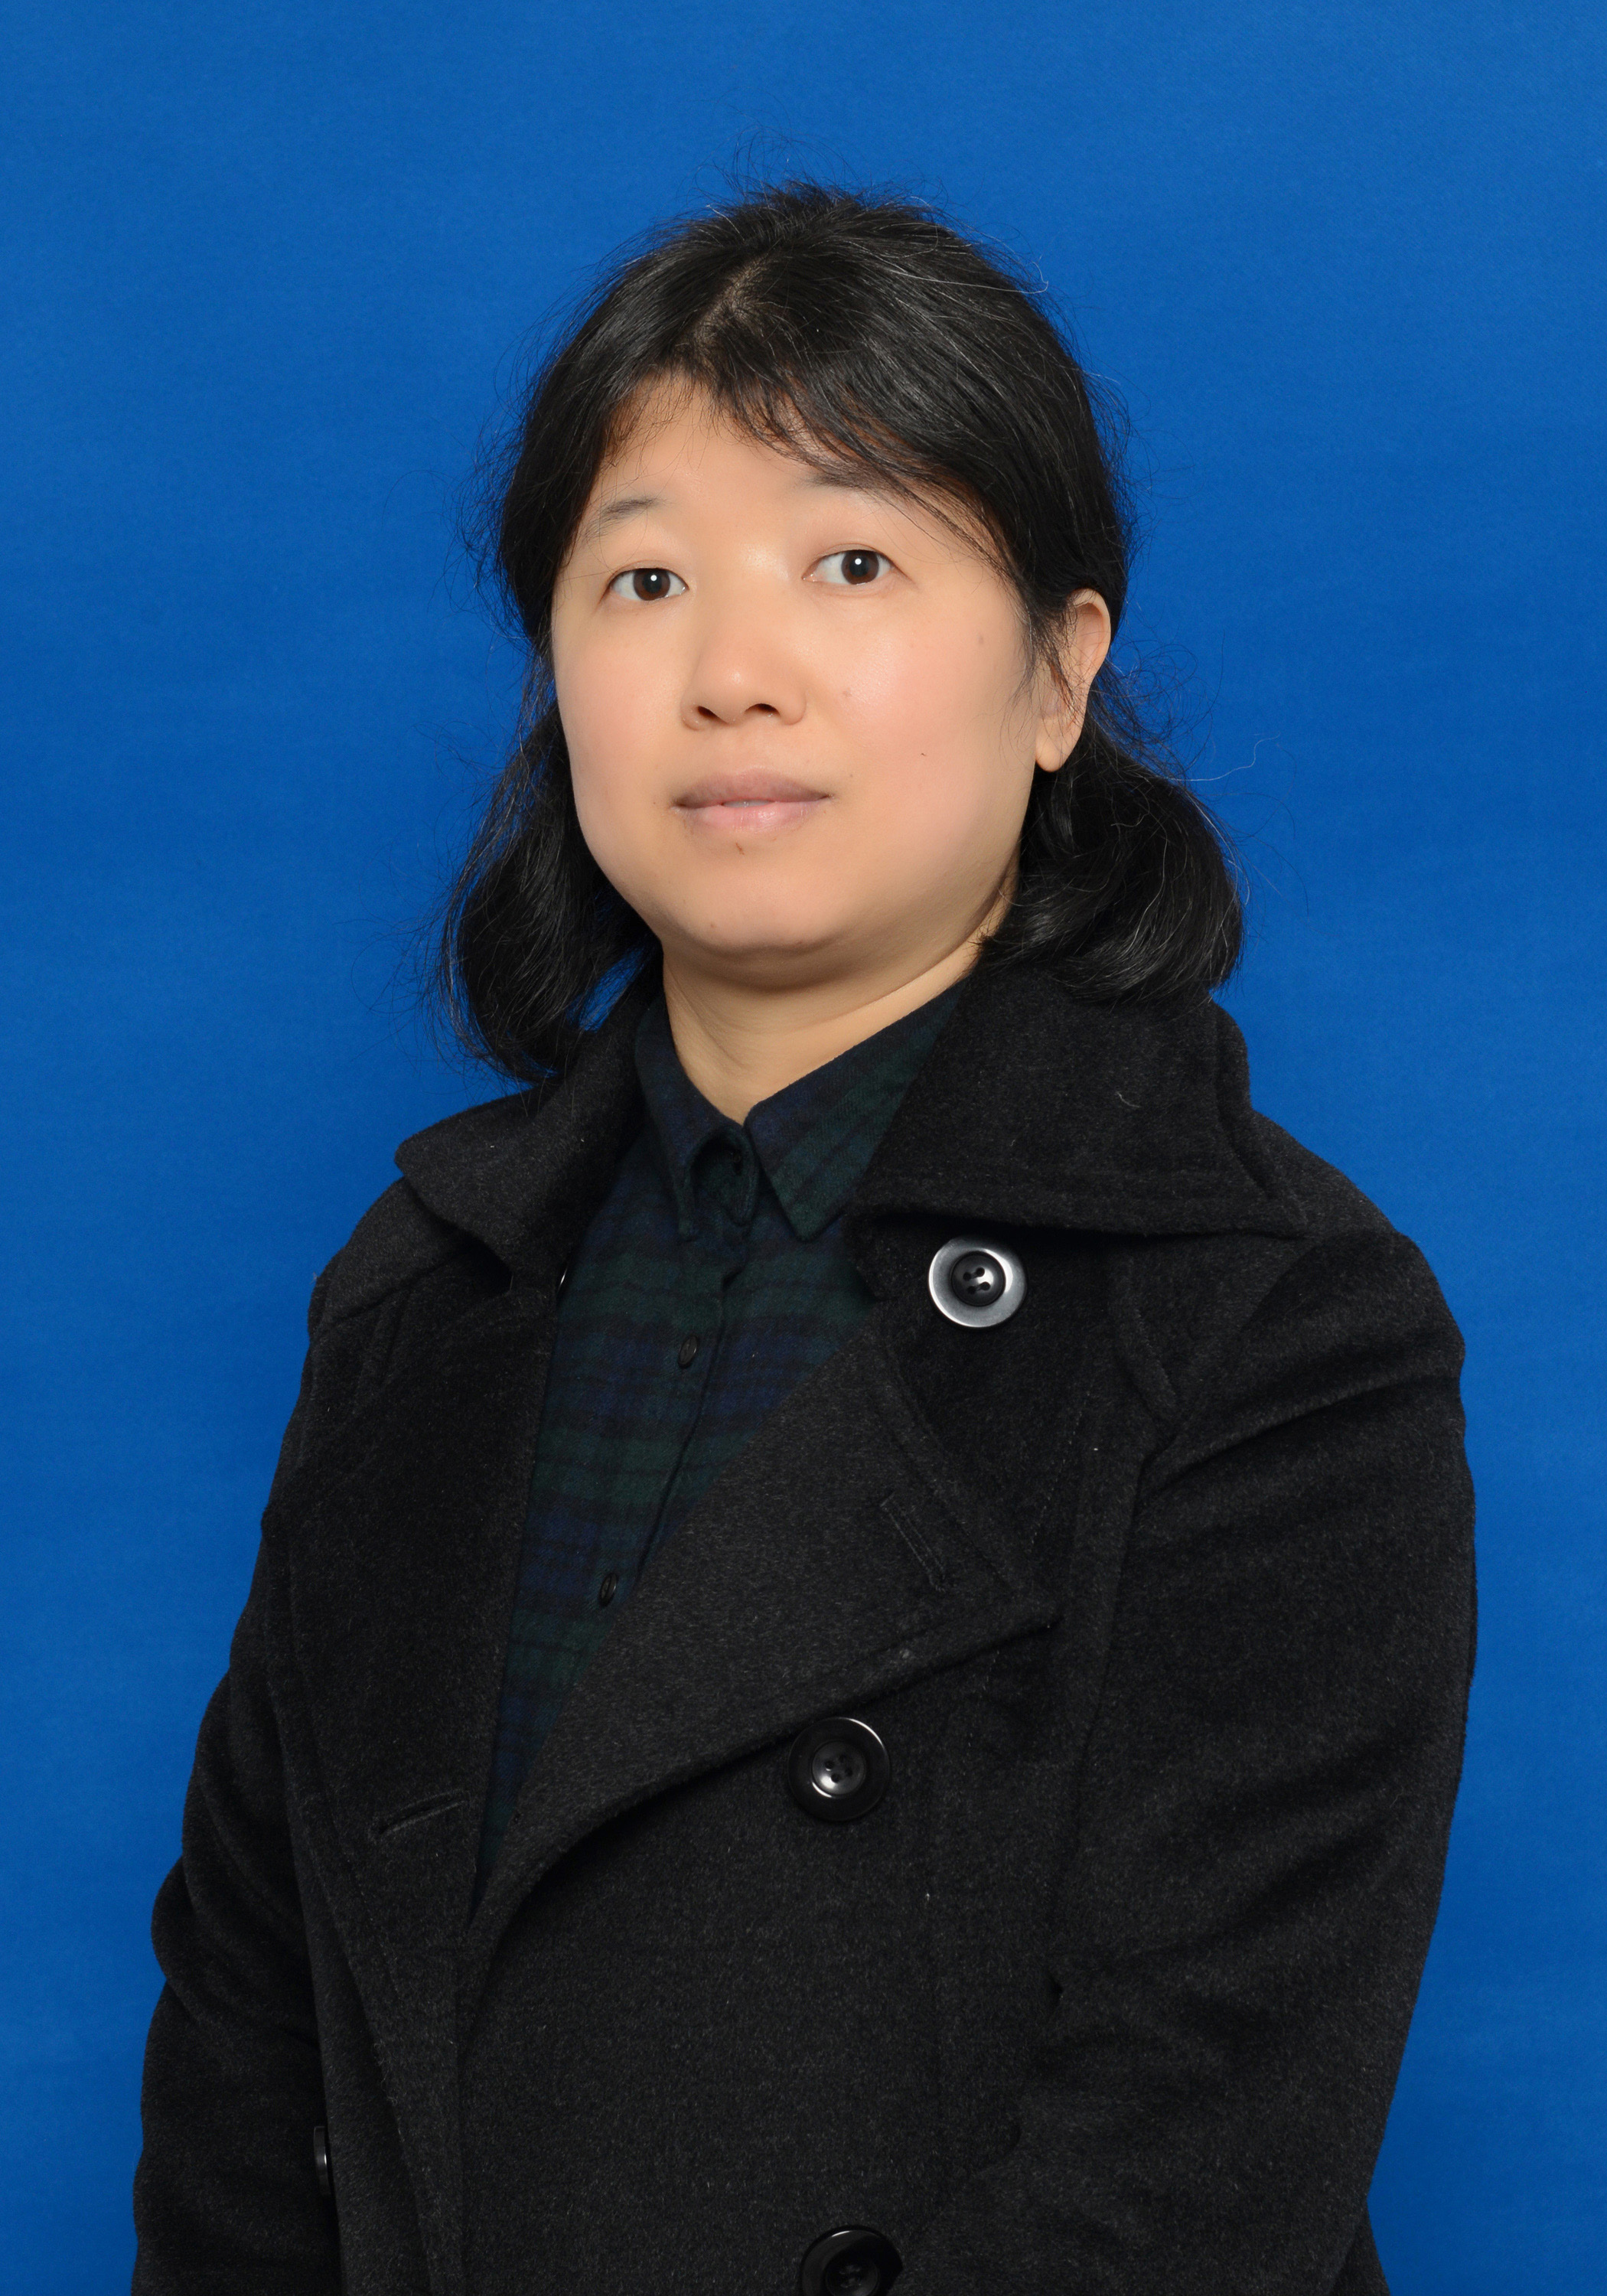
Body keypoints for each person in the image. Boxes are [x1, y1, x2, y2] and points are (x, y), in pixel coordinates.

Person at [132, 183, 1475, 2296]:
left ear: (1059, 673)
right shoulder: (420, 1286)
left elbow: (1194, 2167)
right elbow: (250, 2047)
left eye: (853, 563)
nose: (731, 676)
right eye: (643, 578)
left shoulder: (1269, 1317)